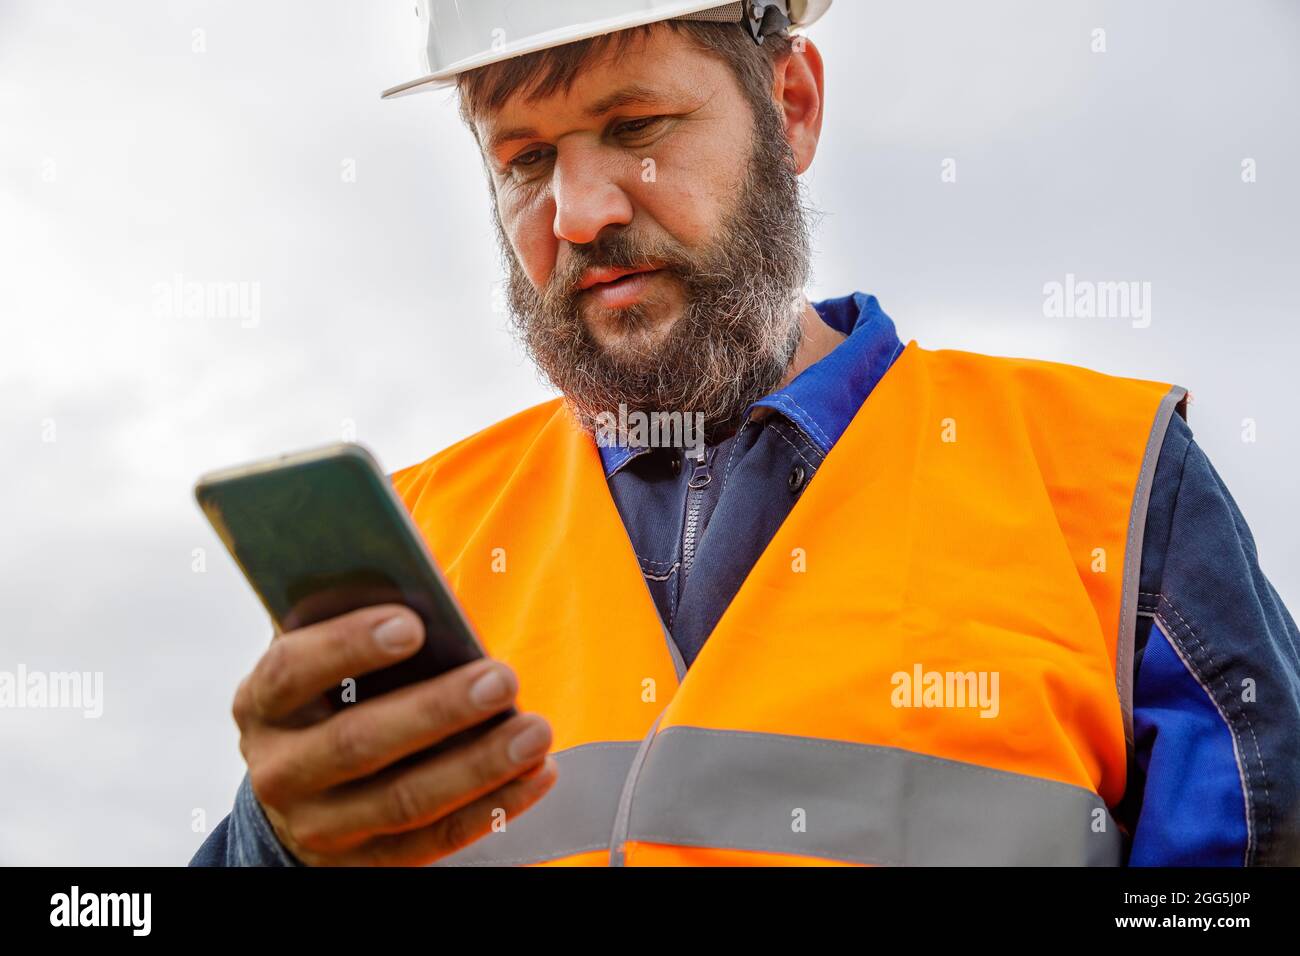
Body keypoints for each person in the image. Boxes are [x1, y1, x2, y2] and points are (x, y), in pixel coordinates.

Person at [191, 0, 1299, 866]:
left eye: (635, 126)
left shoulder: (1107, 478)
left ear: (791, 103)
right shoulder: (424, 536)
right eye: (522, 159)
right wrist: (274, 848)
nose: (578, 213)